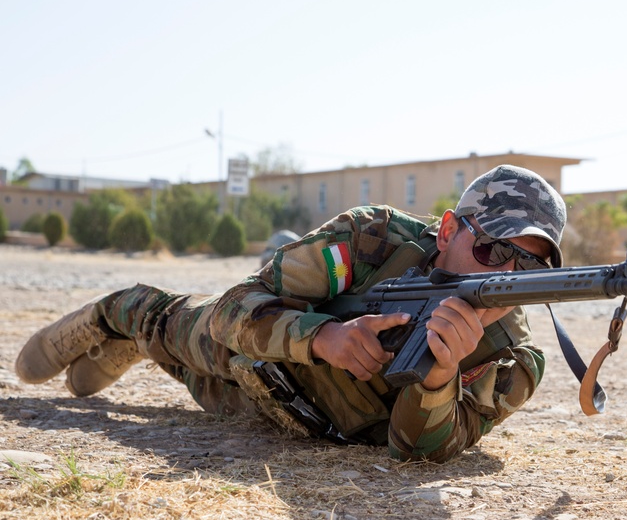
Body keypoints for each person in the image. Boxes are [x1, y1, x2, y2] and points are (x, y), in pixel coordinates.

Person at [15, 165, 566, 463]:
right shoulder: (373, 239)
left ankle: (133, 348)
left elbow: (425, 451)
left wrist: (439, 381)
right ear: (447, 231)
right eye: (493, 250)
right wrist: (323, 337)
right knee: (162, 324)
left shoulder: (512, 360)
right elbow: (234, 309)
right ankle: (112, 317)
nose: (504, 275)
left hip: (279, 413)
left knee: (185, 376)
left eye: (527, 267)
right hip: (248, 346)